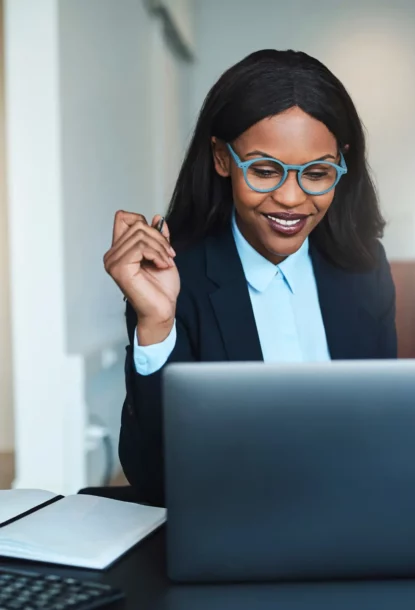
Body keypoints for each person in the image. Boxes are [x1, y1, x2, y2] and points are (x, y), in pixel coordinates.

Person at [104, 49, 397, 506]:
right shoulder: (174, 276)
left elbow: (383, 432)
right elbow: (155, 479)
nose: (290, 198)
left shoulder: (364, 267)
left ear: (341, 163)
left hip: (349, 522)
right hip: (231, 532)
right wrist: (158, 324)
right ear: (222, 158)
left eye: (317, 173)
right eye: (264, 170)